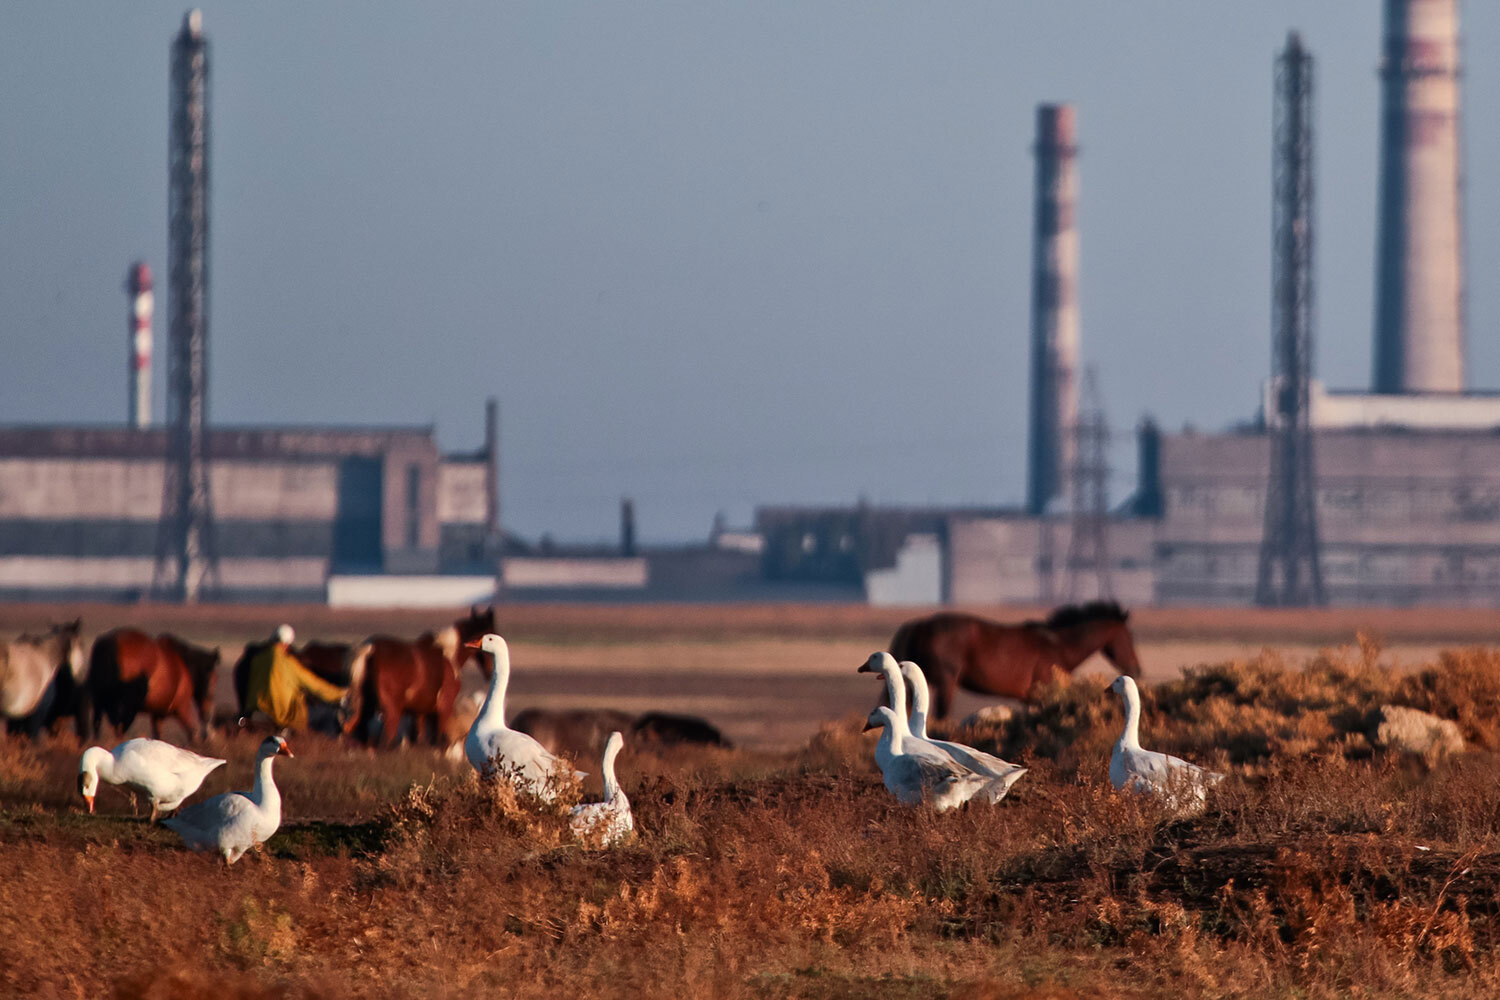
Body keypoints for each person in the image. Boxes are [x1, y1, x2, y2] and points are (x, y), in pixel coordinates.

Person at [242, 625, 347, 731]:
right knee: (329, 715)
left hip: (256, 710)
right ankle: (326, 745)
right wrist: (340, 694)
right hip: (281, 714)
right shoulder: (289, 664)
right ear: (287, 644)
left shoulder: (257, 660)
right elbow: (316, 687)